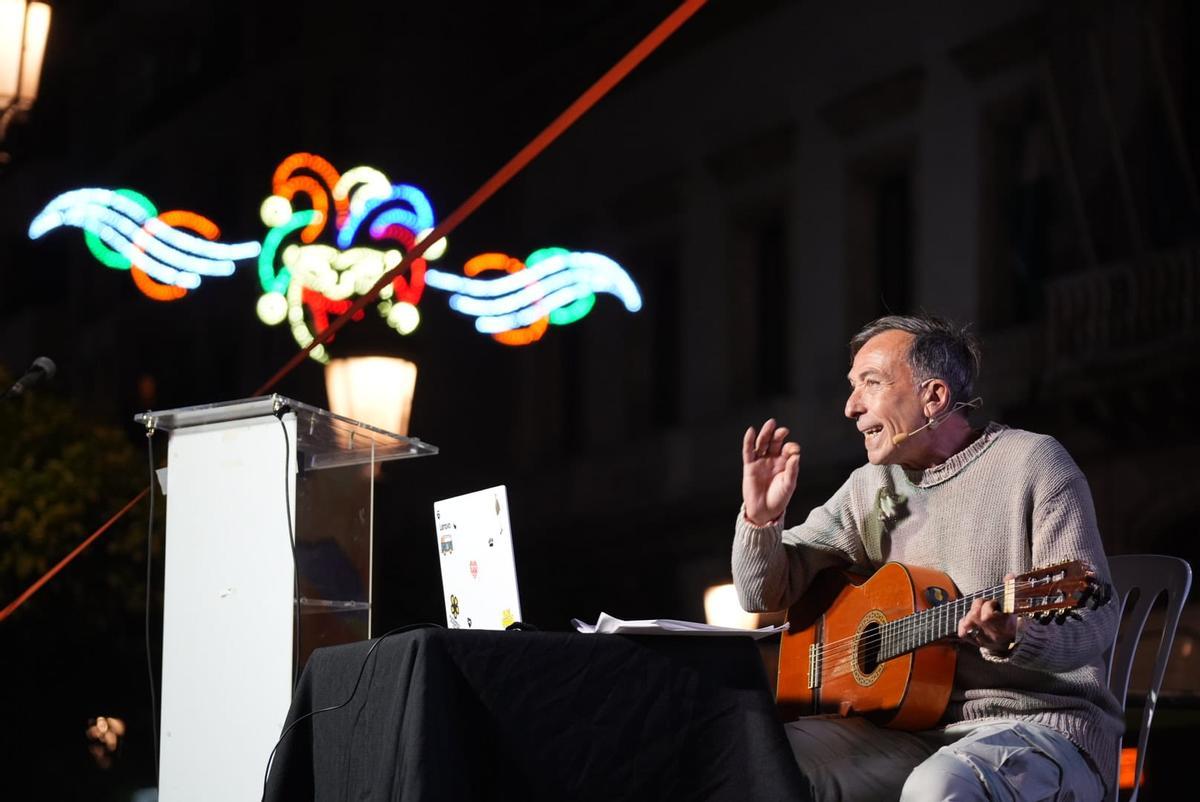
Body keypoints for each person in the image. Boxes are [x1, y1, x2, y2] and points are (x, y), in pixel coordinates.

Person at [734, 314, 1123, 801]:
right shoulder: (870, 487)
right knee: (757, 759)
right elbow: (761, 593)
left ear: (933, 397)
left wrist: (1017, 636)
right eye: (852, 387)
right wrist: (761, 519)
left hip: (1039, 725)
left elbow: (1095, 621)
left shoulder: (1033, 464)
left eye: (870, 384)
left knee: (939, 787)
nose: (851, 407)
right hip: (906, 727)